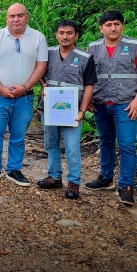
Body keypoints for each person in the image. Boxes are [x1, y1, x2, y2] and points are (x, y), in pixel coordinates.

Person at [84, 10, 137, 206]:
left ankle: (126, 186)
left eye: (117, 24)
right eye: (108, 25)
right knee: (105, 141)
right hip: (101, 103)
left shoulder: (134, 45)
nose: (113, 28)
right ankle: (106, 178)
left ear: (122, 26)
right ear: (101, 28)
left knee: (127, 145)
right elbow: (88, 76)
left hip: (126, 104)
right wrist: (86, 100)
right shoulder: (92, 48)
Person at [0, 3, 48, 186]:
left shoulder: (38, 38)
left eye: (20, 15)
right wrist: (1, 88)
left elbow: (41, 66)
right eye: (12, 16)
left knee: (18, 135)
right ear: (6, 19)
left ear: (27, 17)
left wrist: (25, 87)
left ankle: (14, 169)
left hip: (24, 97)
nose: (16, 19)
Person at [37, 20, 97, 199]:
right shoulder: (47, 54)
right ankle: (54, 177)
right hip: (49, 109)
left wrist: (82, 111)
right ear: (56, 35)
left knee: (71, 147)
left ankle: (74, 182)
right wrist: (42, 85)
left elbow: (89, 86)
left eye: (69, 33)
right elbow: (37, 72)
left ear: (76, 35)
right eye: (61, 33)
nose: (65, 36)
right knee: (50, 144)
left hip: (72, 112)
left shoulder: (85, 58)